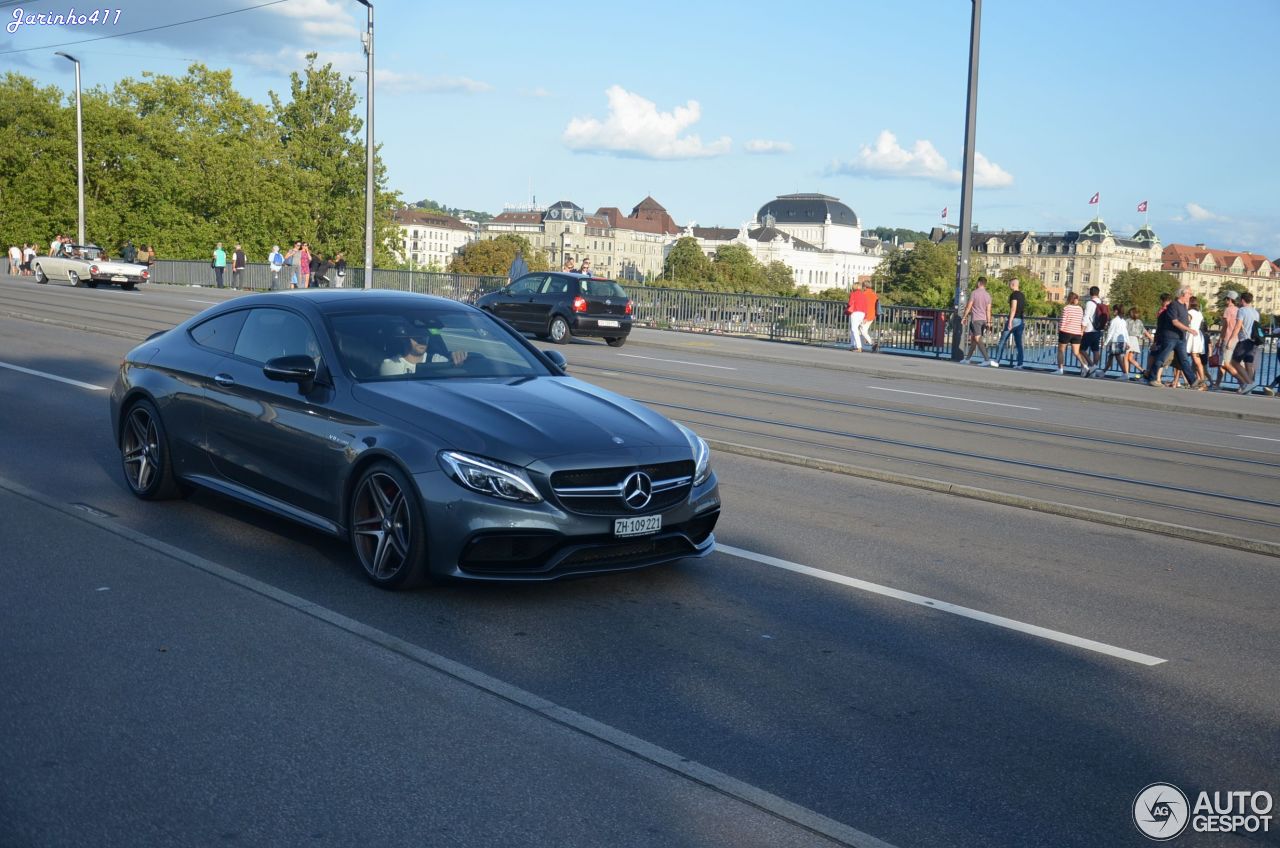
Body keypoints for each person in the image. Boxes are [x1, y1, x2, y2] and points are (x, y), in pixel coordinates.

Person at [1144, 286, 1205, 390]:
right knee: (1162, 357)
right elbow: (1174, 321)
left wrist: (1186, 328)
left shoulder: (1184, 306)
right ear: (1182, 294)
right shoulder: (1174, 305)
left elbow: (1184, 320)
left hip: (1180, 337)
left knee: (1184, 360)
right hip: (1171, 337)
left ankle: (1193, 381)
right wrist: (1189, 329)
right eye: (1189, 293)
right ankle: (1152, 378)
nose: (1190, 295)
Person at [379, 332, 468, 376]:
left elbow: (454, 377)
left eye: (425, 335)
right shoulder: (391, 365)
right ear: (405, 337)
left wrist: (458, 360)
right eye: (417, 335)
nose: (422, 340)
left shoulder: (437, 361)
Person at [1172, 296, 1207, 388]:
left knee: (1182, 358)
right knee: (1197, 359)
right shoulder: (1199, 313)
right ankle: (1202, 380)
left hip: (1189, 334)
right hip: (1197, 335)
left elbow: (1185, 322)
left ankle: (1176, 381)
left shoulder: (1189, 312)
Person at [961, 276, 996, 366]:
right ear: (985, 284)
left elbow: (969, 306)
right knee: (974, 339)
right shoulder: (988, 295)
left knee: (977, 338)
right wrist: (989, 322)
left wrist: (964, 317)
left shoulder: (974, 293)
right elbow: (988, 310)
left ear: (979, 283)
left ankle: (986, 359)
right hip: (984, 319)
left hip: (976, 319)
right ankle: (967, 359)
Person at [1213, 290, 1242, 390]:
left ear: (1229, 299)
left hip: (1228, 338)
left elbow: (1225, 326)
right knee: (1224, 362)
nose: (1225, 300)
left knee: (1225, 363)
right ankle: (1217, 384)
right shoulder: (1239, 310)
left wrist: (1220, 339)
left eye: (1226, 298)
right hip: (1237, 339)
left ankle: (1242, 382)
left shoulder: (1228, 310)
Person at [993, 278, 1026, 368]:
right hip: (1020, 320)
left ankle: (997, 361)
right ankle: (1020, 363)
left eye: (1009, 284)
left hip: (1014, 319)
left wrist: (1010, 321)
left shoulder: (1014, 295)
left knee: (1002, 341)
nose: (1008, 286)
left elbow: (1013, 308)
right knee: (1019, 343)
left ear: (1012, 284)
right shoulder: (1022, 295)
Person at [1233, 292, 1262, 394]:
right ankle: (1248, 388)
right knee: (1248, 364)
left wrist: (1232, 338)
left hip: (1244, 340)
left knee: (1234, 362)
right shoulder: (1255, 312)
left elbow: (1238, 325)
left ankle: (1249, 383)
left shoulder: (1242, 310)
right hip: (1253, 341)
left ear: (1242, 300)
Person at [1055, 292, 1085, 375]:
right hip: (1077, 332)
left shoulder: (1066, 308)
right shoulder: (1080, 309)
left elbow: (1063, 321)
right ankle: (1085, 366)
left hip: (1066, 331)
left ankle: (1060, 369)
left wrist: (1059, 329)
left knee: (1061, 351)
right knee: (1076, 352)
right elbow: (1081, 320)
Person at [1079, 286, 1104, 377]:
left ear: (1090, 293)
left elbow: (1086, 317)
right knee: (1095, 350)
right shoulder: (1101, 302)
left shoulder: (1090, 303)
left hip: (1089, 329)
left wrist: (1082, 330)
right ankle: (1094, 368)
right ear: (1098, 293)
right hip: (1098, 330)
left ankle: (1092, 366)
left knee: (1081, 349)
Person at [1101, 304, 1130, 378]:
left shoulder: (1114, 321)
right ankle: (1103, 372)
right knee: (1111, 357)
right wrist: (1127, 342)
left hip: (1115, 341)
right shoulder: (1123, 321)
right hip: (1122, 341)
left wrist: (1105, 343)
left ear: (1116, 311)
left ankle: (1125, 373)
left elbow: (1110, 333)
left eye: (1113, 310)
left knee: (1117, 357)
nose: (1112, 312)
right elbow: (1125, 332)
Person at [1124, 307, 1150, 380]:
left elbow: (1124, 330)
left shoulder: (1127, 321)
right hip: (1135, 340)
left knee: (1126, 358)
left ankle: (1126, 374)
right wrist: (1151, 338)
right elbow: (1144, 331)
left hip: (1128, 339)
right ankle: (1142, 370)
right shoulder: (1139, 322)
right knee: (1131, 358)